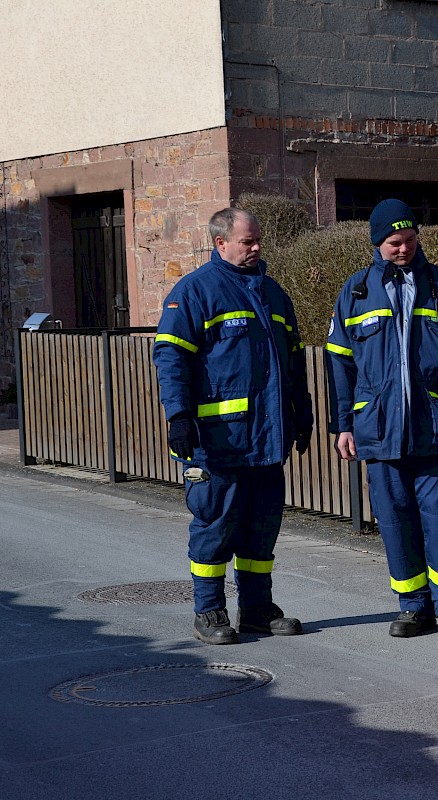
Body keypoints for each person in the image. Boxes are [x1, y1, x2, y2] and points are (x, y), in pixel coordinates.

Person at [325, 199, 438, 641]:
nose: (403, 249)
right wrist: (342, 424)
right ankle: (413, 606)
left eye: (409, 240)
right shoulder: (357, 291)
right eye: (393, 242)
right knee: (395, 520)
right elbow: (340, 364)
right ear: (376, 243)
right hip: (380, 432)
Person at [153, 207, 313, 645]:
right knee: (215, 526)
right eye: (248, 241)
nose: (257, 246)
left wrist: (301, 409)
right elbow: (170, 357)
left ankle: (258, 609)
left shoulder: (273, 293)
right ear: (221, 243)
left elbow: (292, 359)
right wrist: (179, 415)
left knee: (261, 531)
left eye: (258, 239)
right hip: (217, 442)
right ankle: (209, 611)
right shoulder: (194, 292)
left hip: (265, 440)